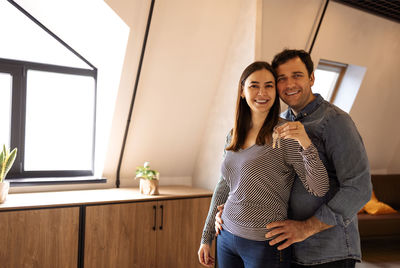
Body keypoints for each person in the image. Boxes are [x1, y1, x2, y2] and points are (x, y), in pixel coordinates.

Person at [215, 49, 372, 267]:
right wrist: (234, 209)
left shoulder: (335, 121)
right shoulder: (278, 125)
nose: (289, 84)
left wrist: (307, 227)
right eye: (281, 79)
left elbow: (359, 188)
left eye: (297, 75)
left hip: (328, 251)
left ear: (312, 78)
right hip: (287, 247)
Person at [198, 61, 329, 268]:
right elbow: (224, 185)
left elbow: (319, 187)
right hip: (226, 236)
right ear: (242, 91)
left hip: (264, 243)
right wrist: (207, 237)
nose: (262, 92)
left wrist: (306, 143)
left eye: (269, 85)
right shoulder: (234, 135)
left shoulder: (286, 134)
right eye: (254, 86)